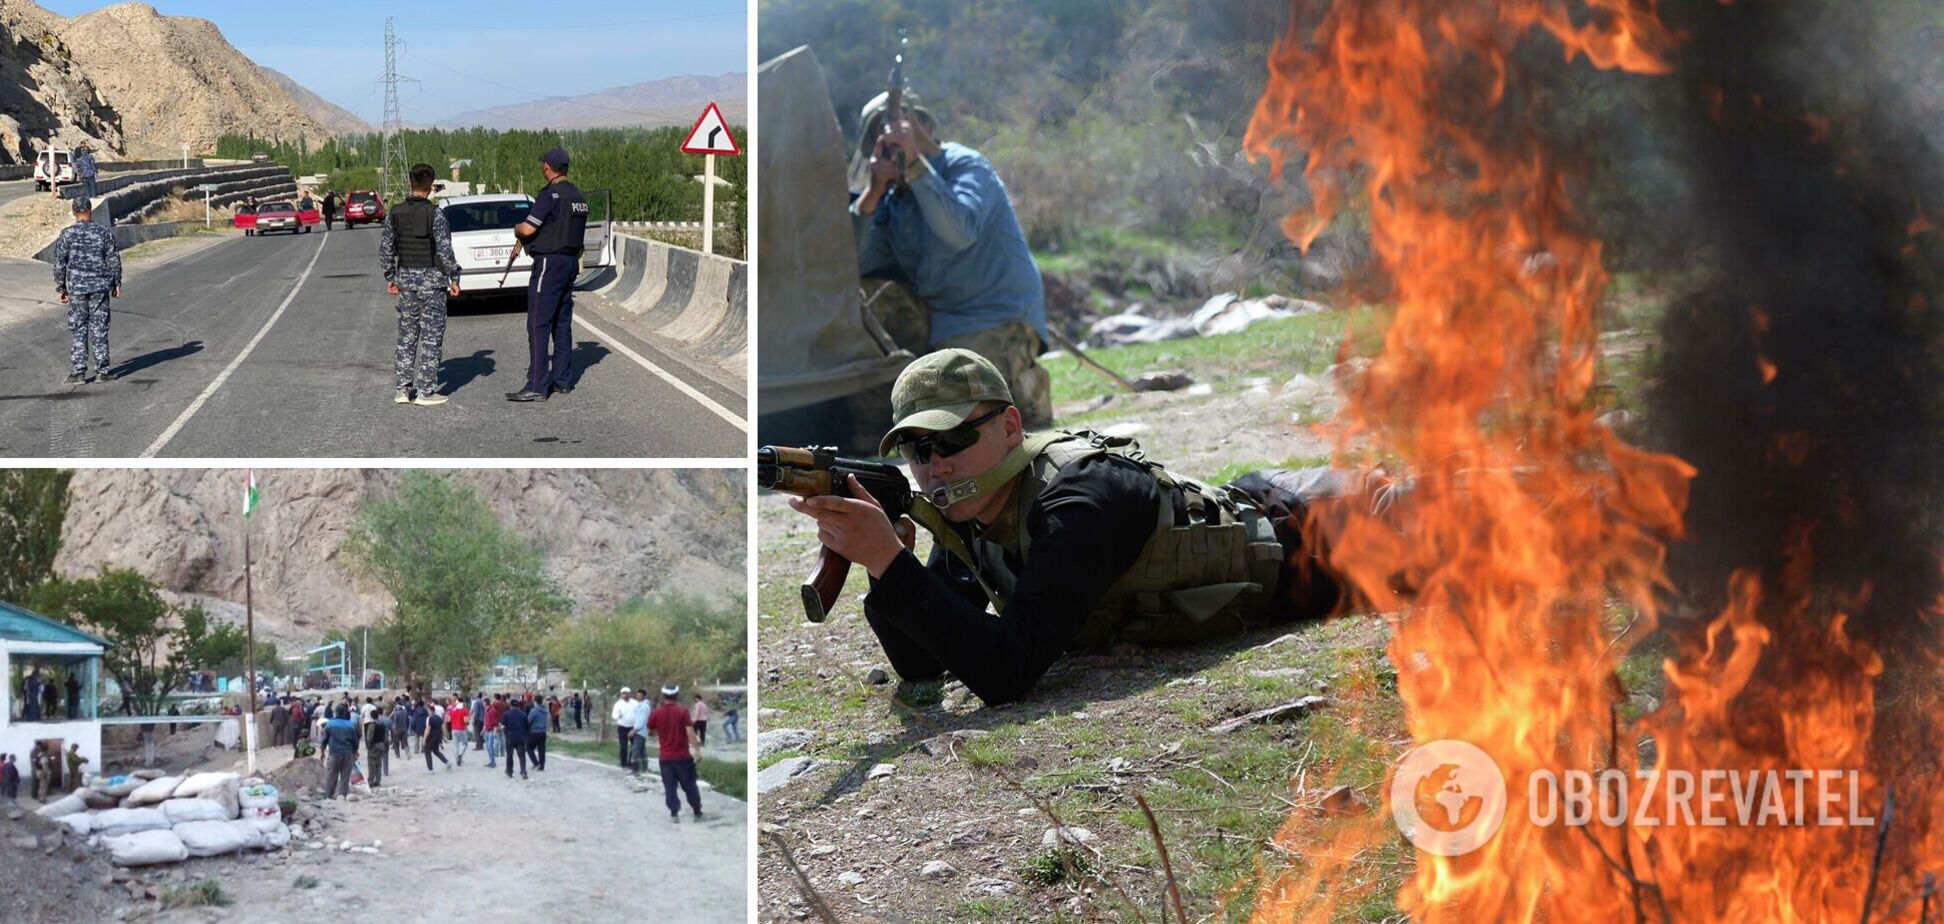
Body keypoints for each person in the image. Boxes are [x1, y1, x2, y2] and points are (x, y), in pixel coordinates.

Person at [786, 348, 1352, 706]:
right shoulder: (972, 514)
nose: (936, 465)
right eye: (917, 449)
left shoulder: (1081, 497)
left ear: (1010, 426)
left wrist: (889, 562)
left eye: (953, 440)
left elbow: (1007, 672)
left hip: (1320, 529)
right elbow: (927, 662)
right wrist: (889, 566)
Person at [849, 92, 1052, 428]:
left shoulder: (963, 164)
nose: (890, 142)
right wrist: (872, 194)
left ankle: (1027, 385)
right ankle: (876, 428)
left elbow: (960, 230)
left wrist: (916, 165)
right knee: (863, 298)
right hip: (937, 319)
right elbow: (856, 265)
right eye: (879, 138)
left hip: (992, 314)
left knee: (974, 415)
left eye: (901, 128)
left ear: (926, 126)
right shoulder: (891, 198)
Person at [505, 146, 588, 402]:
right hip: (570, 262)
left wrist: (517, 227)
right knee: (562, 322)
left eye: (543, 164)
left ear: (547, 167)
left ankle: (537, 385)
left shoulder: (549, 195)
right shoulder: (578, 196)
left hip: (549, 264)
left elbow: (529, 229)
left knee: (538, 324)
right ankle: (563, 380)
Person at [380, 162, 462, 407]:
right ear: (431, 186)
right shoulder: (436, 214)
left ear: (410, 183)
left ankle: (403, 390)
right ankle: (426, 391)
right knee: (430, 336)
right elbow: (445, 252)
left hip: (406, 282)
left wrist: (390, 278)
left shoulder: (395, 212)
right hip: (432, 284)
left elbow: (386, 249)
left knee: (407, 335)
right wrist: (454, 277)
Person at [50, 196, 122, 386]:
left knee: (79, 327)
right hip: (99, 286)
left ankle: (78, 371)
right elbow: (113, 259)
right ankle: (102, 370)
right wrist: (116, 283)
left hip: (77, 288)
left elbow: (59, 264)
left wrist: (61, 287)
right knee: (99, 327)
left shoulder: (67, 234)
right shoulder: (103, 232)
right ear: (90, 210)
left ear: (74, 213)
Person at [648, 685, 704, 823]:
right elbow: (690, 732)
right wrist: (697, 750)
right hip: (682, 757)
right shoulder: (682, 711)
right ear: (677, 694)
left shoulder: (656, 712)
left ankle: (674, 813)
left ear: (663, 695)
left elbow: (650, 730)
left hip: (665, 757)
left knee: (670, 786)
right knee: (689, 785)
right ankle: (697, 811)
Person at [323, 704, 360, 800]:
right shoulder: (351, 725)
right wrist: (355, 752)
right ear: (345, 713)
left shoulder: (330, 724)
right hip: (348, 754)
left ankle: (328, 796)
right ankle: (342, 795)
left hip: (334, 753)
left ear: (336, 713)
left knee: (331, 776)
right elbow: (355, 741)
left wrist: (322, 751)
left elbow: (324, 739)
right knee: (345, 776)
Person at [499, 693, 530, 780]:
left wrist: (501, 729)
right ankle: (523, 771)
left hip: (510, 736)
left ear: (510, 705)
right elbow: (528, 726)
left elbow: (503, 725)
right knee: (522, 755)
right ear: (518, 706)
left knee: (509, 754)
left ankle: (509, 771)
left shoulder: (506, 714)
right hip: (521, 737)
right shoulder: (523, 714)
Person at [363, 706, 389, 788]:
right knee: (378, 763)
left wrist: (368, 746)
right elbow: (385, 735)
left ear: (371, 716)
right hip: (381, 745)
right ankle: (378, 780)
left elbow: (369, 737)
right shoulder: (382, 724)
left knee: (371, 764)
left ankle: (371, 781)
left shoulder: (371, 725)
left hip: (374, 745)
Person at [611, 687, 635, 769]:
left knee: (634, 745)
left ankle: (631, 762)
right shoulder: (618, 704)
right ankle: (623, 763)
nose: (625, 695)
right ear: (621, 694)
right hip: (622, 727)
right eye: (623, 693)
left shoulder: (634, 703)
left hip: (633, 727)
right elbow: (614, 715)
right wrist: (618, 716)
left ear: (629, 694)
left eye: (627, 693)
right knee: (623, 746)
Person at [423, 701, 450, 772]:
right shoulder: (439, 718)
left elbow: (427, 729)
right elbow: (443, 727)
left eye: (428, 710)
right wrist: (444, 736)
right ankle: (446, 762)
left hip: (430, 738)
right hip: (438, 737)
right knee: (436, 751)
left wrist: (424, 738)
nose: (428, 712)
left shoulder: (429, 718)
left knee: (427, 752)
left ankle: (430, 769)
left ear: (431, 711)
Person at [525, 696, 548, 772]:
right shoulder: (545, 710)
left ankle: (536, 762)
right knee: (541, 749)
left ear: (535, 702)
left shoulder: (533, 711)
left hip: (534, 732)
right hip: (543, 731)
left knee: (529, 748)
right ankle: (542, 766)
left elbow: (529, 721)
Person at [446, 696, 469, 766]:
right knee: (465, 744)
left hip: (454, 729)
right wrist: (468, 723)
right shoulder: (464, 710)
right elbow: (465, 721)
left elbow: (449, 720)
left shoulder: (452, 710)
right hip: (461, 729)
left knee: (456, 746)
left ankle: (457, 759)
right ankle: (460, 755)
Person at [484, 693, 505, 769]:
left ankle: (493, 760)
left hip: (492, 728)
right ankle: (501, 752)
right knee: (501, 739)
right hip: (496, 725)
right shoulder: (503, 704)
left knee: (491, 744)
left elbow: (493, 720)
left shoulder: (492, 708)